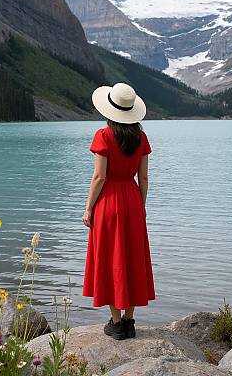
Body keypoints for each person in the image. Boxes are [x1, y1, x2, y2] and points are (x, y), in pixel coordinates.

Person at [82, 82, 155, 340]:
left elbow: (99, 177)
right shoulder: (142, 137)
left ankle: (116, 324)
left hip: (108, 202)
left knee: (110, 259)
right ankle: (130, 321)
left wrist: (88, 208)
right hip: (133, 200)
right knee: (133, 258)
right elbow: (144, 178)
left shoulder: (103, 136)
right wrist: (140, 206)